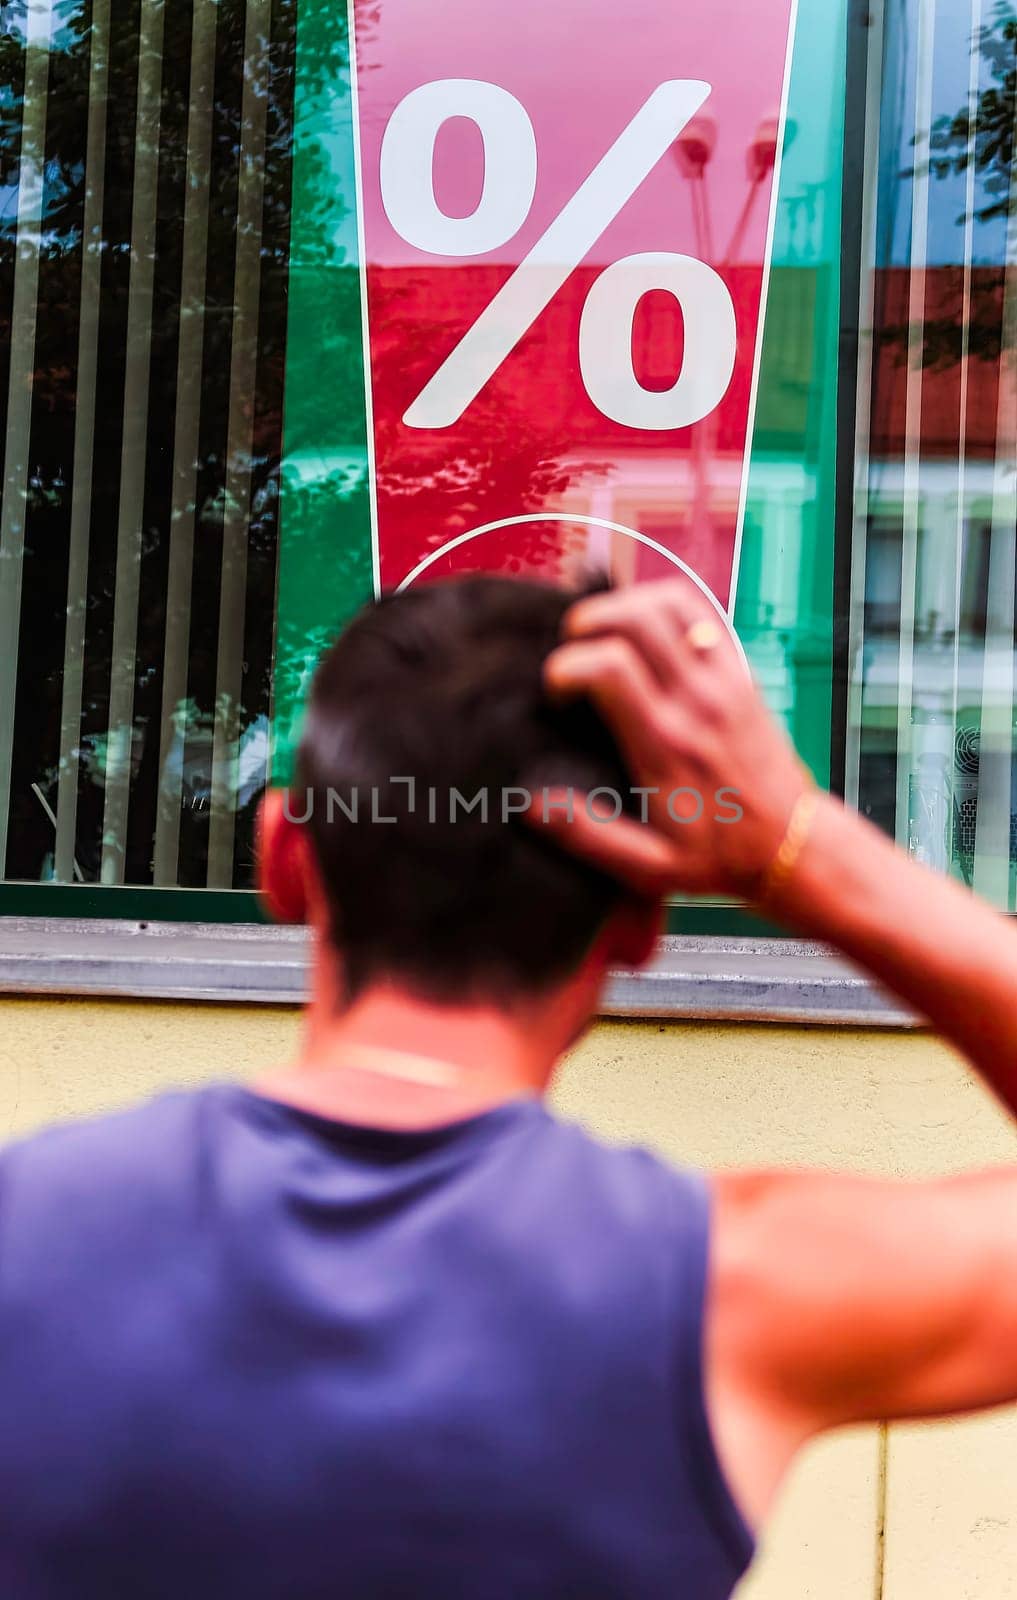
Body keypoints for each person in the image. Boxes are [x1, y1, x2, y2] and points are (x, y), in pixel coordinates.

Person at [1, 575, 1015, 1599]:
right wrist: (794, 846)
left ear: (284, 860)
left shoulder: (25, 1229)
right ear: (640, 923)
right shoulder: (730, 1295)